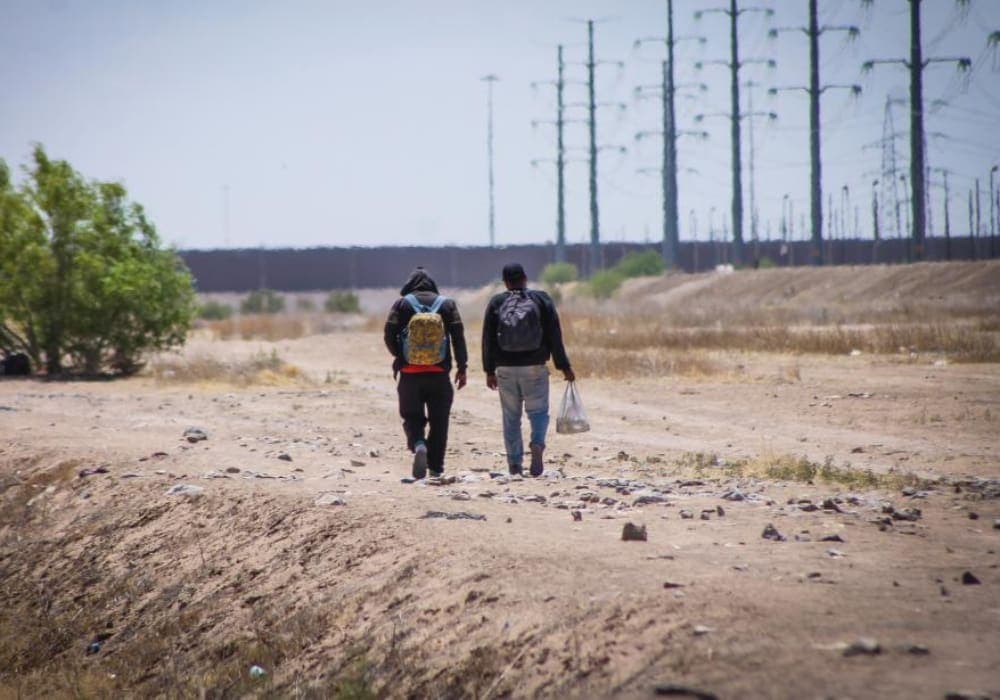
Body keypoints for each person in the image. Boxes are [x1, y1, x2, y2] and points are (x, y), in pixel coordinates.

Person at [482, 263, 574, 477]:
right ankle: (538, 444)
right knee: (539, 412)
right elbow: (554, 335)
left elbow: (488, 339)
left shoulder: (497, 302)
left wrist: (489, 370)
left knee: (511, 416)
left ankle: (514, 463)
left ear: (505, 282)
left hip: (505, 368)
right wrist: (564, 366)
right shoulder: (541, 299)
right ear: (525, 277)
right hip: (534, 366)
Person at [384, 267, 468, 479]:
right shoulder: (447, 305)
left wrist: (401, 357)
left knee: (411, 416)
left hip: (409, 374)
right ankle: (436, 468)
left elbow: (388, 334)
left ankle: (419, 444)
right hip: (439, 373)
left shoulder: (401, 304)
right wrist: (462, 367)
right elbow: (458, 338)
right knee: (440, 421)